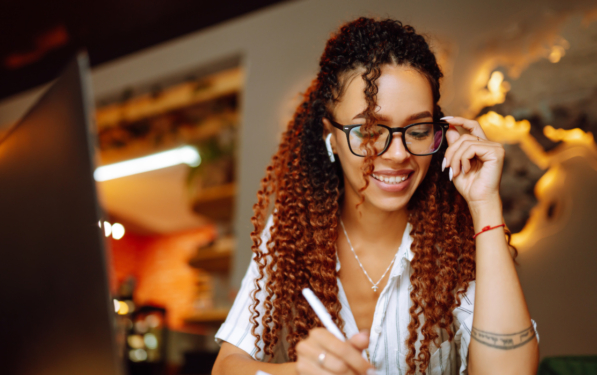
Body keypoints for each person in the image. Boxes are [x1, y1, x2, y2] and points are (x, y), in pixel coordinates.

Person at [211, 17, 539, 375]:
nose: (398, 154)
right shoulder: (293, 230)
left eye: (417, 129)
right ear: (330, 136)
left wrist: (485, 204)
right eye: (369, 129)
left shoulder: (453, 239)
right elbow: (227, 367)